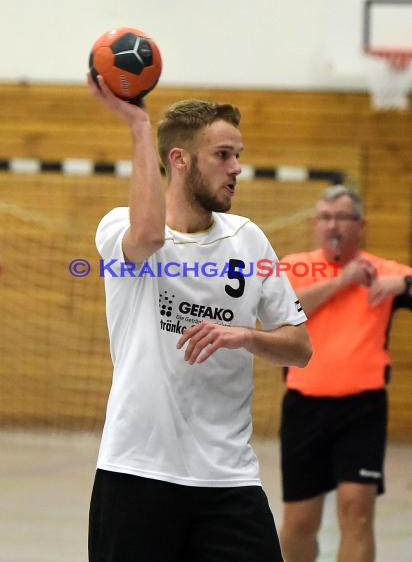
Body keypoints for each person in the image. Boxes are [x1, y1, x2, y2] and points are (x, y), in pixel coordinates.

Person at [86, 72, 312, 562]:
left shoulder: (248, 239)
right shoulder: (118, 227)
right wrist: (140, 126)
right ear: (179, 159)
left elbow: (300, 347)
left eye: (238, 156)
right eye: (222, 155)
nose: (236, 169)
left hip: (227, 478)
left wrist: (245, 336)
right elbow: (148, 237)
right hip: (137, 470)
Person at [278, 184, 412, 562]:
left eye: (340, 217)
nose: (332, 225)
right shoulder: (295, 265)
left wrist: (402, 284)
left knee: (356, 509)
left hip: (362, 409)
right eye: (324, 217)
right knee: (299, 523)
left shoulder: (383, 270)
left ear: (361, 225)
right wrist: (343, 281)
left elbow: (405, 282)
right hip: (305, 409)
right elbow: (284, 311)